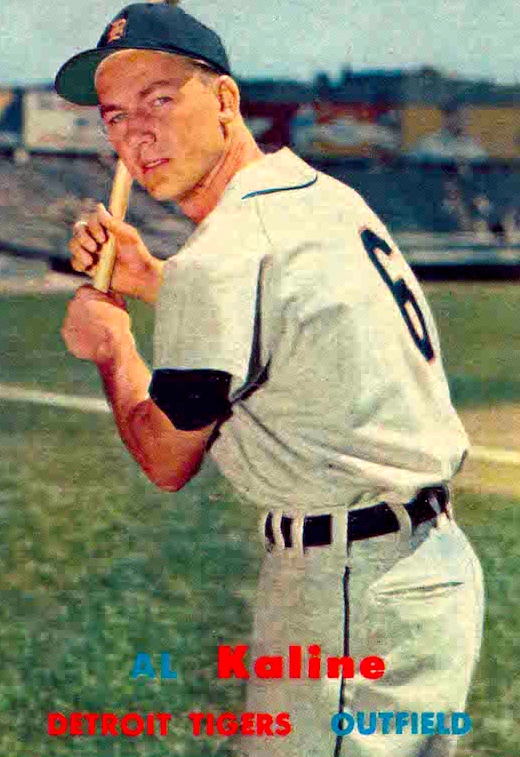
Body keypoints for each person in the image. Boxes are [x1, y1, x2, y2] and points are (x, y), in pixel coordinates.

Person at [56, 4, 484, 755]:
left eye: (160, 100)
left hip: (347, 587)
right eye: (116, 116)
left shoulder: (222, 255)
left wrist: (113, 346)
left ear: (224, 99)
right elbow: (287, 326)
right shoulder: (316, 194)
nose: (138, 134)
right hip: (426, 572)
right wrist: (154, 279)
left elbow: (166, 457)